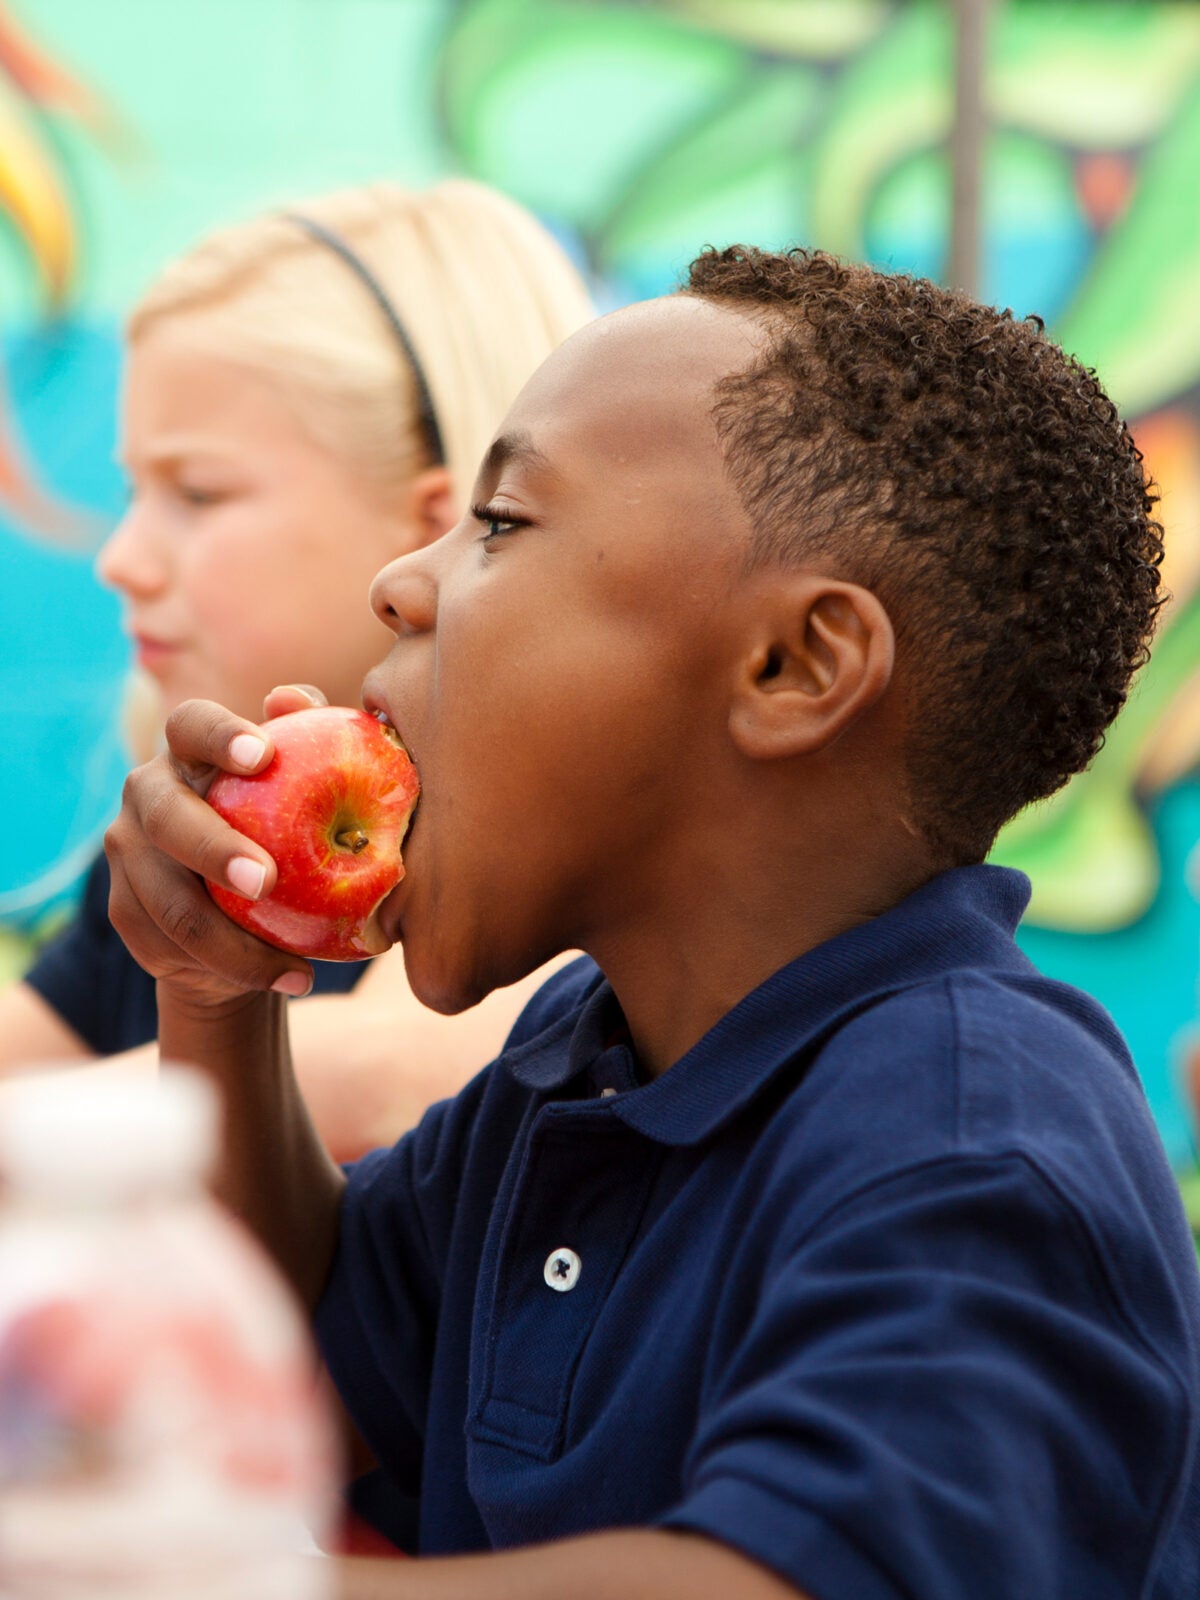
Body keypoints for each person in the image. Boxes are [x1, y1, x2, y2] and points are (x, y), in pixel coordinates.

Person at [103, 245, 1200, 1598]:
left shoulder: (975, 1139)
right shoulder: (590, 1059)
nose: (401, 583)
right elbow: (281, 1357)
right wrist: (210, 992)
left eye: (500, 524)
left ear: (793, 667)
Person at [0, 178, 594, 1158]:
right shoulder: (214, 827)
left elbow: (379, 1079)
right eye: (132, 489)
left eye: (196, 492)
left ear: (431, 516)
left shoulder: (561, 821)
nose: (120, 557)